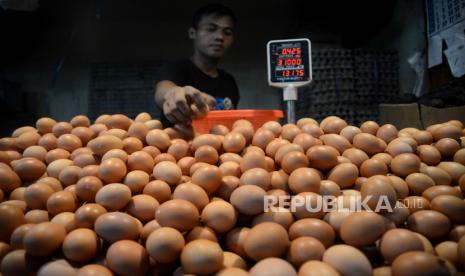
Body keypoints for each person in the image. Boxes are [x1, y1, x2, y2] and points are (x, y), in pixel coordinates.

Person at [154, 3, 240, 127]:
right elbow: (163, 90)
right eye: (211, 29)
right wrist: (174, 93)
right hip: (179, 144)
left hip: (218, 145)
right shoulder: (175, 68)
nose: (220, 37)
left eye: (227, 32)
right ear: (193, 33)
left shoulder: (229, 81)